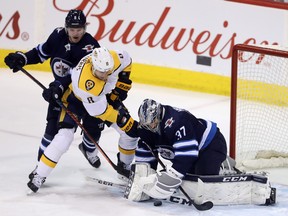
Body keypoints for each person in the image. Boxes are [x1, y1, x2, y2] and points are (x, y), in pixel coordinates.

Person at [4, 9, 103, 176]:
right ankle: (39, 169)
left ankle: (89, 150)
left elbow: (77, 76)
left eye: (79, 29)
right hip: (59, 94)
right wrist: (23, 58)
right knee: (51, 130)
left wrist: (58, 86)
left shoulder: (91, 47)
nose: (76, 33)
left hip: (83, 96)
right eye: (72, 29)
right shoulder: (57, 36)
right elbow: (40, 52)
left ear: (85, 28)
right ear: (66, 28)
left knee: (93, 129)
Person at [26, 47, 139, 193]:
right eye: (101, 72)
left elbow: (127, 60)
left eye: (107, 70)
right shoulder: (86, 83)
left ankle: (124, 167)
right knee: (64, 137)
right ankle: (39, 174)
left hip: (101, 98)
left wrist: (122, 85)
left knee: (129, 133)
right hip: (75, 101)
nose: (105, 74)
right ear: (93, 66)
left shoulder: (113, 58)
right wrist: (121, 119)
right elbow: (100, 111)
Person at [125, 98, 227, 201]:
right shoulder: (146, 128)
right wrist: (142, 177)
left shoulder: (178, 121)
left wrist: (172, 176)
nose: (151, 126)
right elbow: (145, 152)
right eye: (147, 125)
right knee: (186, 180)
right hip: (191, 152)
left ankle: (220, 166)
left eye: (153, 122)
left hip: (211, 145)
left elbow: (187, 155)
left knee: (203, 182)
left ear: (159, 114)